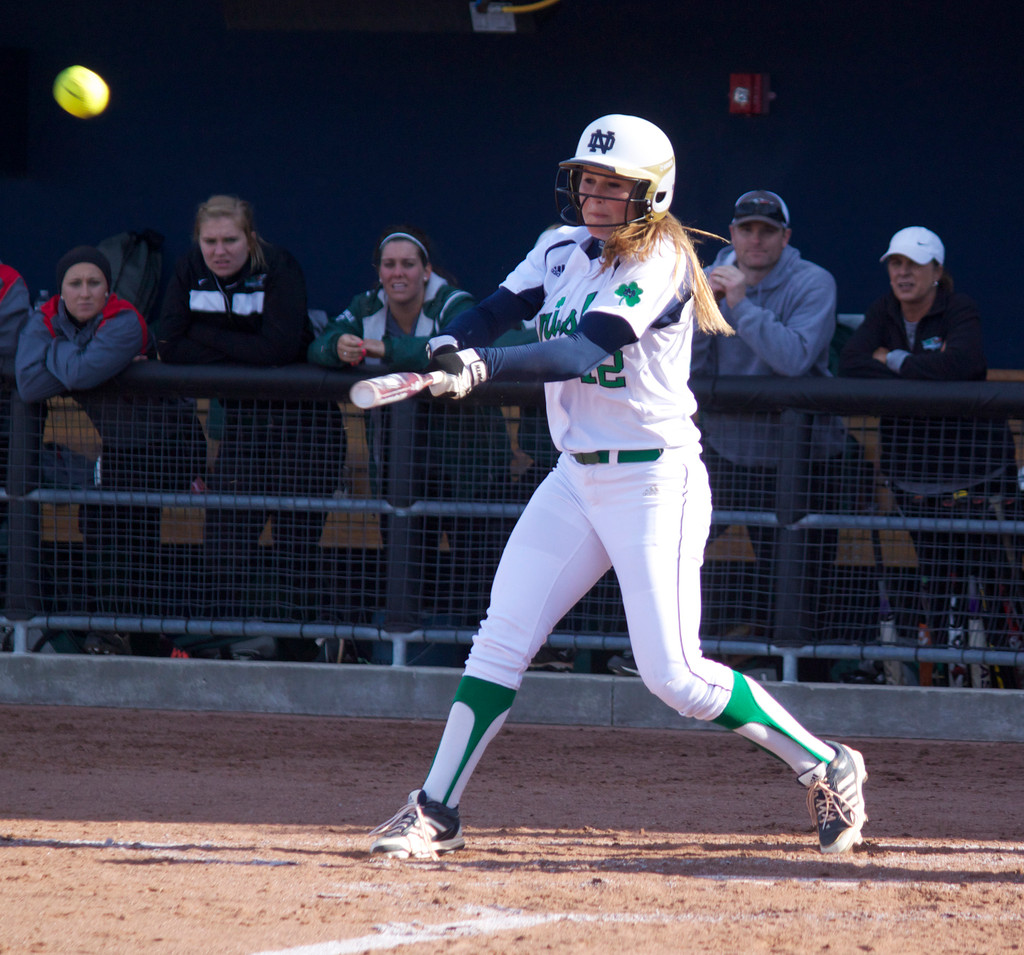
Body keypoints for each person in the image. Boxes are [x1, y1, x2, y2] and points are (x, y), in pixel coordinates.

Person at [367, 114, 868, 860]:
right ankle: (435, 808)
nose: (595, 196)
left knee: (675, 676)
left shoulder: (663, 257)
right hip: (575, 478)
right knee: (499, 642)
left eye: (614, 186)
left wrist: (486, 367)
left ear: (652, 194)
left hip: (652, 480)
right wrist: (451, 343)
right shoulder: (560, 246)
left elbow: (577, 350)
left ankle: (824, 762)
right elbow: (495, 309)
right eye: (588, 181)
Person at [309, 227, 512, 648]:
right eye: (389, 264)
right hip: (403, 460)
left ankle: (485, 652)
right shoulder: (366, 306)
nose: (397, 273)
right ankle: (412, 654)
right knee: (407, 555)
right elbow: (321, 343)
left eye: (407, 264)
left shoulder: (454, 302)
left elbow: (449, 349)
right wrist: (339, 347)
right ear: (378, 271)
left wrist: (378, 349)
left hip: (468, 463)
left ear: (426, 271)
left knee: (476, 563)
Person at [157, 195, 346, 640]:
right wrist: (244, 350)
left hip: (307, 429)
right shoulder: (188, 270)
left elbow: (278, 350)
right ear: (198, 241)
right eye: (210, 241)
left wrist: (201, 333)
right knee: (224, 545)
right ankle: (222, 645)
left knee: (296, 552)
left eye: (230, 240)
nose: (219, 250)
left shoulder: (279, 266)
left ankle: (298, 650)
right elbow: (169, 345)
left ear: (250, 238)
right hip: (244, 431)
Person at [838, 227, 1018, 680]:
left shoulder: (960, 308)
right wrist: (921, 374)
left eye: (913, 265)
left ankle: (1005, 675)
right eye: (896, 264)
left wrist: (894, 360)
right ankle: (943, 673)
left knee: (991, 574)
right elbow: (852, 363)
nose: (902, 273)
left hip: (976, 474)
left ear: (937, 272)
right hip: (912, 476)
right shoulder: (883, 310)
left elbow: (964, 365)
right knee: (936, 576)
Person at [15, 246, 205, 638]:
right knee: (102, 525)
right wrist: (82, 358)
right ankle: (117, 632)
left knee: (134, 535)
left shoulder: (125, 320)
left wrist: (55, 351)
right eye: (75, 284)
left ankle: (149, 635)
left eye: (94, 283)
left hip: (174, 442)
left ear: (107, 289)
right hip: (120, 445)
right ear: (61, 290)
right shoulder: (44, 316)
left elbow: (81, 376)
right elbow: (30, 385)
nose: (84, 292)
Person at [690, 190, 849, 641]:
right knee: (675, 544)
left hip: (802, 458)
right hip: (726, 450)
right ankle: (665, 650)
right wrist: (706, 309)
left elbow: (795, 360)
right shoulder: (706, 279)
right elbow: (687, 370)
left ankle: (802, 676)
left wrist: (740, 305)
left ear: (785, 237)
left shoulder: (813, 281)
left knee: (802, 576)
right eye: (747, 229)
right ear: (733, 234)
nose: (756, 240)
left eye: (767, 231)